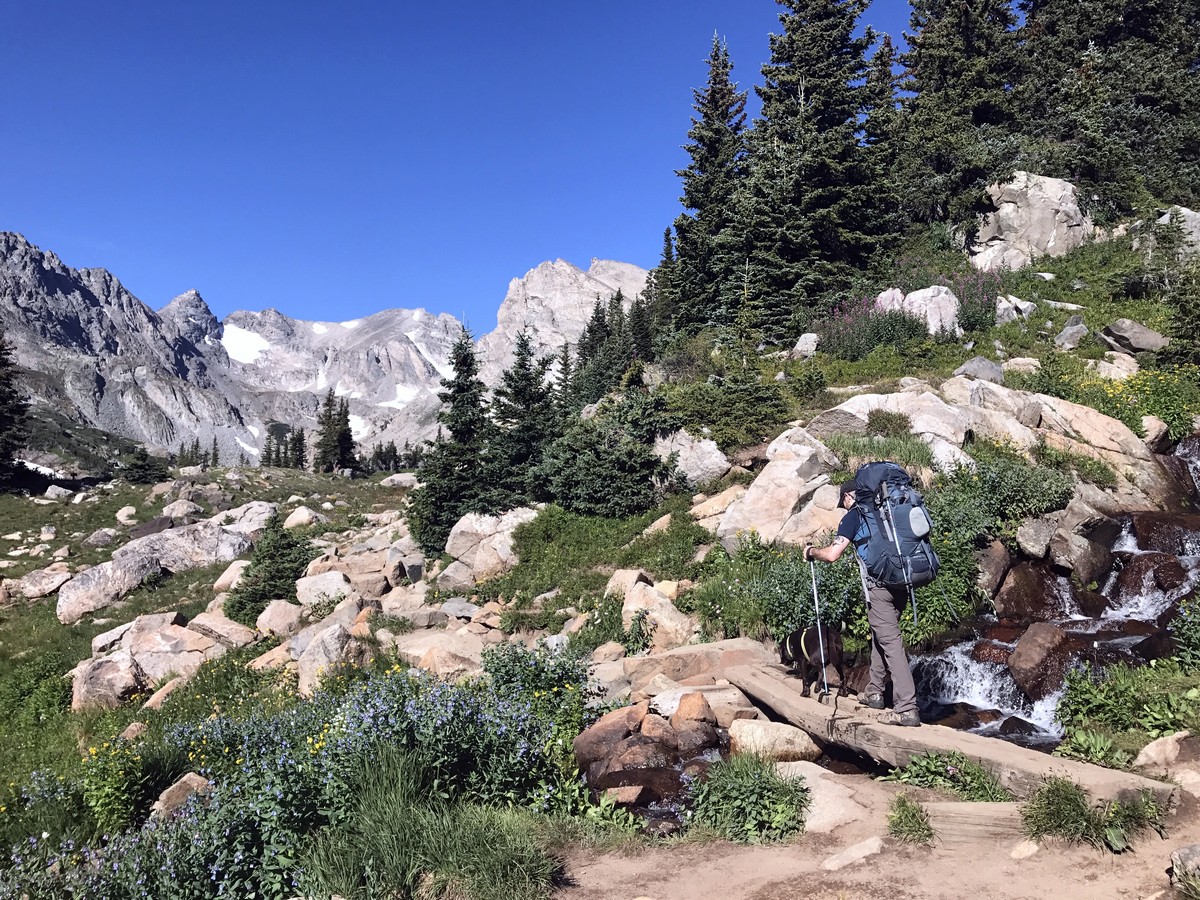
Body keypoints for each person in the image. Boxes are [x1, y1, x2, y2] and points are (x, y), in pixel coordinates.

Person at [803, 480, 921, 727]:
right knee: (881, 633)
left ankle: (907, 708)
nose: (844, 507)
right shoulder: (886, 511)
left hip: (879, 587)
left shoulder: (854, 516)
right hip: (902, 583)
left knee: (890, 641)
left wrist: (812, 552)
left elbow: (833, 555)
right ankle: (875, 691)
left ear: (848, 497)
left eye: (843, 503)